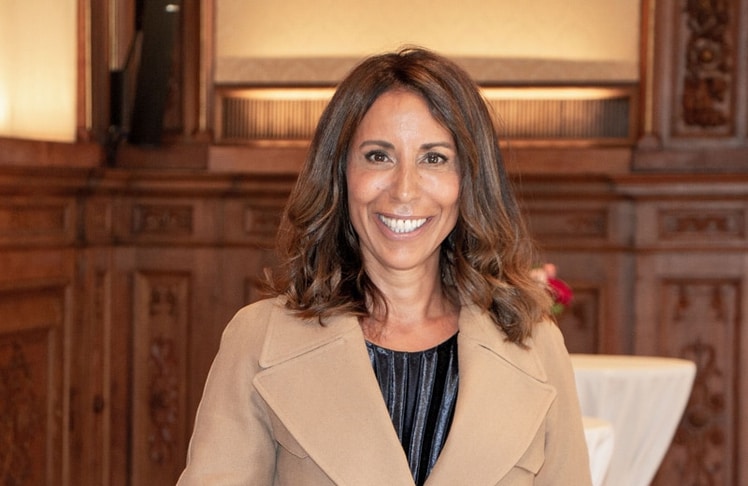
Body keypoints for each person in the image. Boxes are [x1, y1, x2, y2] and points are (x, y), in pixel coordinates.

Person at [178, 47, 592, 486]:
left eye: (434, 158)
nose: (404, 190)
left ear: (468, 179)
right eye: (379, 156)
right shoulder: (259, 339)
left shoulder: (536, 345)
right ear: (340, 172)